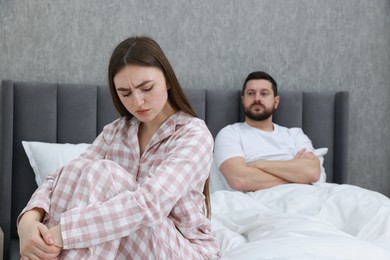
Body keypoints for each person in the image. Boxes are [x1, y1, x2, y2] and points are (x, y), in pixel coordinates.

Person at [17, 36, 220, 259]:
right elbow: (59, 178)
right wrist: (28, 221)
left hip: (182, 250)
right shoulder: (116, 131)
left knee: (104, 173)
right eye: (125, 93)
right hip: (124, 247)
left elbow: (149, 204)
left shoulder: (193, 134)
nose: (137, 102)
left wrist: (62, 234)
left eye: (147, 88)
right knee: (75, 171)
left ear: (168, 80)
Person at [213, 71, 321, 192]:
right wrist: (297, 177)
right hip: (255, 201)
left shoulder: (295, 135)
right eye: (251, 93)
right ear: (243, 100)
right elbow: (240, 180)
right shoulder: (230, 133)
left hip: (304, 195)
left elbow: (313, 172)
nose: (257, 98)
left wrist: (260, 164)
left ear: (276, 102)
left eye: (264, 93)